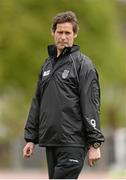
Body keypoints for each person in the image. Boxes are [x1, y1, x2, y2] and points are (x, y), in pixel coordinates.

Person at [23, 11, 105, 179]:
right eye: (60, 32)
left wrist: (95, 143)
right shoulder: (47, 65)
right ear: (53, 33)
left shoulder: (83, 65)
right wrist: (30, 138)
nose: (63, 37)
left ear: (75, 34)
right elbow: (37, 102)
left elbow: (91, 104)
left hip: (73, 142)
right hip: (51, 142)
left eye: (67, 33)